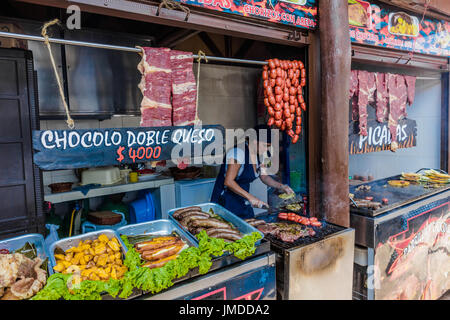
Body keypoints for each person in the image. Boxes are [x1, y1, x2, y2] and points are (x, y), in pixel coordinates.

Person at [211, 124, 294, 219]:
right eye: (265, 145)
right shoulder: (237, 153)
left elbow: (264, 176)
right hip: (225, 202)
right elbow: (229, 181)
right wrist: (251, 198)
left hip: (242, 201)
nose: (266, 149)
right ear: (254, 141)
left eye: (268, 146)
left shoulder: (260, 154)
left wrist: (281, 186)